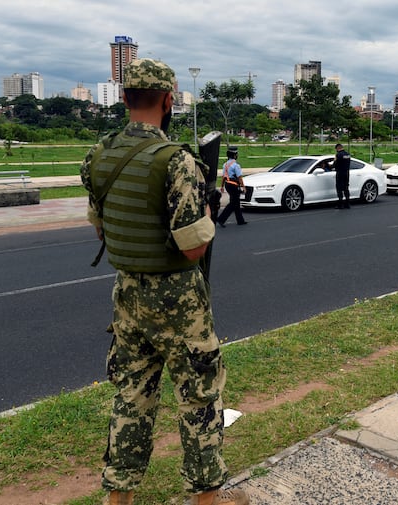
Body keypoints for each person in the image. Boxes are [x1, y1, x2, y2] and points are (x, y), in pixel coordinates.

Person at [80, 58, 248, 505]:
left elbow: (101, 226)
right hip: (177, 299)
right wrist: (208, 212)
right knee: (199, 399)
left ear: (124, 98)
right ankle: (207, 501)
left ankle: (119, 499)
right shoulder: (176, 161)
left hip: (128, 296)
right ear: (169, 100)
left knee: (131, 397)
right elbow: (192, 248)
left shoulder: (98, 156)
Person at [216, 147, 248, 227]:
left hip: (227, 184)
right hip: (234, 185)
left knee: (236, 203)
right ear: (234, 155)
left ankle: (240, 220)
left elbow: (224, 176)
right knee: (233, 203)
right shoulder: (236, 165)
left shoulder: (225, 164)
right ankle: (221, 219)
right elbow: (239, 177)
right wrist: (243, 187)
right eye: (236, 154)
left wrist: (222, 186)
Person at [331, 143, 351, 209]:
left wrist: (331, 165)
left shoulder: (338, 155)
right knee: (346, 188)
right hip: (347, 173)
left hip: (340, 173)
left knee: (339, 188)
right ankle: (347, 203)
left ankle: (340, 204)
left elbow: (334, 164)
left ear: (337, 148)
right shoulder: (347, 154)